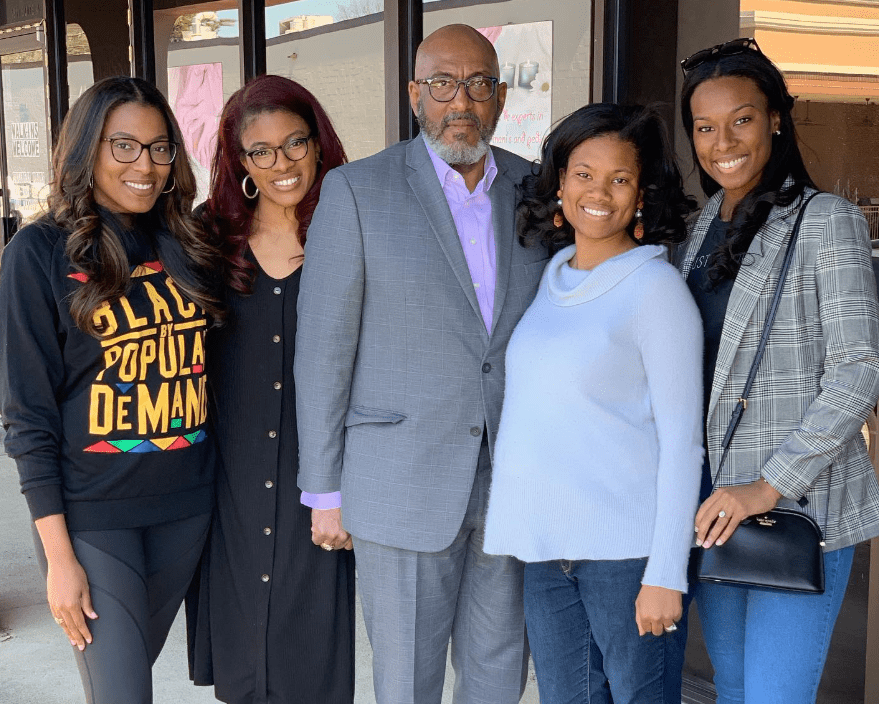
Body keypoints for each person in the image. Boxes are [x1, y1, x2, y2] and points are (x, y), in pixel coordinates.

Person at [295, 23, 546, 704]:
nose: (459, 101)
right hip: (399, 482)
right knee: (407, 680)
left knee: (499, 672)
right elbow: (323, 351)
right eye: (441, 83)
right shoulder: (356, 191)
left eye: (477, 84)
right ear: (414, 94)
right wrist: (323, 491)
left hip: (510, 481)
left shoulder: (536, 189)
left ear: (500, 97)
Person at [0, 76, 223, 704]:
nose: (144, 166)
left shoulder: (187, 242)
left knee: (120, 684)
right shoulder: (37, 253)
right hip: (94, 518)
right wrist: (58, 558)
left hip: (187, 509)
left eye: (159, 148)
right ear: (86, 149)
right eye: (123, 145)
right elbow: (27, 416)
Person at [677, 38, 879, 704]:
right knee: (733, 687)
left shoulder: (826, 222)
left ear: (773, 120)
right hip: (712, 506)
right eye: (704, 127)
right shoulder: (700, 229)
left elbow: (858, 371)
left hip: (795, 509)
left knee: (772, 696)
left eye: (740, 119)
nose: (722, 142)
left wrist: (767, 486)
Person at [482, 103, 703, 704]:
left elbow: (683, 442)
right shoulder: (551, 277)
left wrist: (666, 571)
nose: (599, 192)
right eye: (584, 174)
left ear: (641, 194)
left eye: (619, 178)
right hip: (548, 555)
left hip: (626, 559)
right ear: (560, 182)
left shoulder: (656, 290)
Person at [185, 74, 355, 704]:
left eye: (295, 143)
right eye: (260, 150)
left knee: (310, 653)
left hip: (319, 474)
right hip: (230, 474)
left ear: (318, 142)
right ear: (239, 161)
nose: (281, 163)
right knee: (242, 662)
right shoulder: (207, 237)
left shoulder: (351, 225)